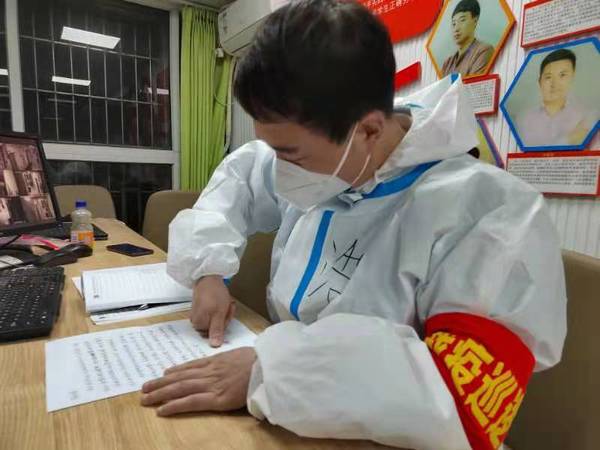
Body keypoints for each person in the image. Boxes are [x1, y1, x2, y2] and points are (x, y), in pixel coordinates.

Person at [141, 2, 567, 449]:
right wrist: (209, 271)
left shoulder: (493, 214)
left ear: (368, 131)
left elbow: (457, 399)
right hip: (280, 408)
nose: (278, 169)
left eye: (290, 154)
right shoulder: (323, 150)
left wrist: (273, 371)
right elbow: (238, 182)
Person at [516, 48, 599, 148]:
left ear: (572, 78)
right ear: (540, 82)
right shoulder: (524, 119)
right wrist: (570, 139)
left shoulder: (587, 117)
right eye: (548, 77)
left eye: (562, 75)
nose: (554, 83)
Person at [441, 0, 494, 78]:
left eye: (462, 20)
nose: (456, 28)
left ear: (475, 21)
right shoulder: (447, 63)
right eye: (454, 23)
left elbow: (473, 84)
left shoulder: (484, 51)